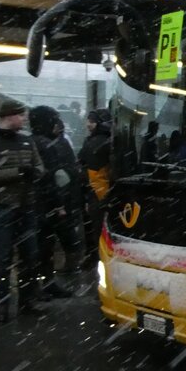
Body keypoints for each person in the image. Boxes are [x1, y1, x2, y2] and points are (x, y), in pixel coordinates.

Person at [0, 100, 46, 322]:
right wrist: (17, 172)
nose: (24, 119)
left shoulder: (26, 141)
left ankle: (27, 301)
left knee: (30, 256)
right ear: (9, 116)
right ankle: (2, 305)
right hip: (1, 207)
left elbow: (40, 167)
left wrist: (34, 173)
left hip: (25, 206)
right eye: (21, 115)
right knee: (2, 258)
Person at [30, 106, 84, 298]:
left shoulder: (34, 142)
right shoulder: (47, 145)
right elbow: (52, 178)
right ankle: (44, 284)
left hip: (38, 203)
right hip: (47, 203)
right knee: (44, 246)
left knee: (42, 246)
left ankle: (43, 283)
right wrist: (59, 204)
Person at [79, 109, 111, 269]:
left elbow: (83, 165)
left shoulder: (92, 142)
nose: (88, 124)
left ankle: (95, 258)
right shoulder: (111, 140)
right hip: (105, 194)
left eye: (91, 121)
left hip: (95, 194)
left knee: (95, 229)